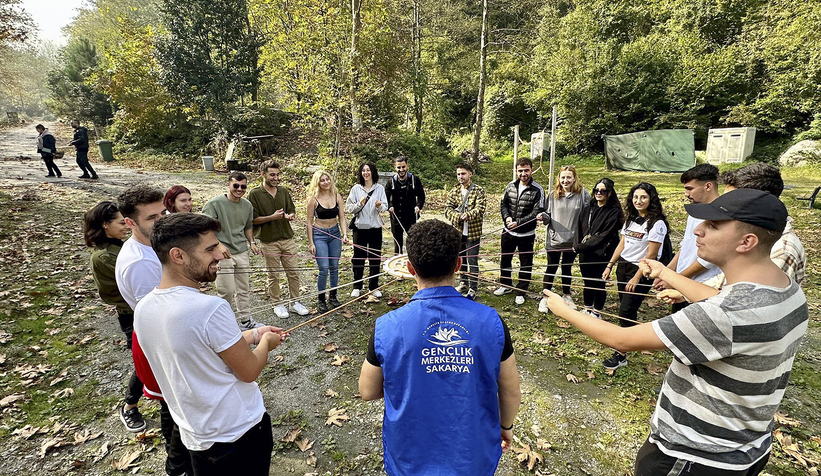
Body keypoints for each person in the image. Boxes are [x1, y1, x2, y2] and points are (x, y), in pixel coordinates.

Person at [545, 188, 808, 476]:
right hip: (747, 448)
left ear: (747, 241)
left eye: (713, 226)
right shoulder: (787, 290)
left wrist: (565, 309)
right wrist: (666, 272)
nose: (699, 232)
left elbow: (621, 339)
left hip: (693, 457)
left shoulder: (723, 315)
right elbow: (717, 298)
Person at [358, 219, 522, 476]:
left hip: (410, 459)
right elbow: (510, 391)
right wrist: (506, 426)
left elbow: (367, 390)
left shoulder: (386, 327)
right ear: (458, 265)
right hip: (473, 456)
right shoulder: (491, 321)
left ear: (410, 268)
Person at [134, 213, 287, 475]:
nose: (219, 255)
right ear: (178, 255)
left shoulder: (144, 307)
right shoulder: (211, 308)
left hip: (195, 434)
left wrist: (251, 336)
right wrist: (266, 344)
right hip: (238, 432)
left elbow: (196, 348)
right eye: (210, 249)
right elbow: (249, 371)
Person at [83, 201, 145, 432]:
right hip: (132, 315)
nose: (126, 227)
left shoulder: (119, 246)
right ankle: (129, 406)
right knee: (144, 360)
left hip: (142, 309)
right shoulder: (104, 256)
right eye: (121, 223)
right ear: (105, 225)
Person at [601, 182, 668, 371]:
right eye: (636, 197)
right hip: (623, 266)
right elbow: (622, 245)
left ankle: (622, 352)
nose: (638, 201)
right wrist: (610, 265)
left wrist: (637, 277)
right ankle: (629, 340)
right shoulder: (631, 219)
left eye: (643, 197)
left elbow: (652, 255)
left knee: (626, 311)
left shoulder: (656, 223)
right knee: (626, 308)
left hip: (641, 270)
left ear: (651, 199)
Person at [653, 164, 721, 311]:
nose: (686, 194)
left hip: (703, 287)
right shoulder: (694, 210)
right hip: (681, 285)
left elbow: (707, 260)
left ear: (708, 186)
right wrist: (667, 273)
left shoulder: (721, 215)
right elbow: (686, 247)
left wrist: (676, 279)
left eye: (690, 188)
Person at [247, 161, 310, 318]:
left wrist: (291, 216)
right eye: (272, 175)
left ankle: (294, 302)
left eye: (277, 174)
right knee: (273, 275)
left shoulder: (283, 191)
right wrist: (272, 217)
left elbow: (291, 209)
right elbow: (252, 219)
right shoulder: (255, 194)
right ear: (263, 175)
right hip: (269, 241)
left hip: (287, 239)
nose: (276, 178)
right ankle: (277, 303)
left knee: (294, 272)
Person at [202, 172, 263, 329]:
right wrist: (217, 245)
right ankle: (225, 323)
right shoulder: (214, 204)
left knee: (244, 289)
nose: (239, 189)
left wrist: (252, 242)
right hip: (222, 255)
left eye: (243, 186)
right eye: (236, 185)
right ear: (229, 185)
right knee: (226, 291)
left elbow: (248, 226)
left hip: (241, 251)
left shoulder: (247, 205)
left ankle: (246, 321)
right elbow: (205, 229)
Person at [568, 178, 623, 319]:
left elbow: (604, 235)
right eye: (596, 190)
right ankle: (587, 308)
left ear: (609, 193)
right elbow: (578, 228)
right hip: (585, 251)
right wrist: (577, 245)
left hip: (602, 252)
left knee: (598, 281)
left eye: (602, 191)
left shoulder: (614, 212)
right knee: (587, 280)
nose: (599, 193)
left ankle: (597, 312)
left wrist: (583, 245)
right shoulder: (588, 209)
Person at [538, 165, 589, 312]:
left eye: (568, 177)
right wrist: (543, 217)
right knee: (551, 267)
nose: (565, 180)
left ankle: (566, 295)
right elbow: (547, 215)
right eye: (563, 177)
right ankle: (545, 296)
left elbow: (587, 216)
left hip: (572, 240)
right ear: (559, 179)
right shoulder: (553, 195)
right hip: (554, 239)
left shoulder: (583, 194)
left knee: (567, 268)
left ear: (574, 178)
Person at [495, 157, 545, 305]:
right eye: (520, 171)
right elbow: (503, 204)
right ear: (516, 171)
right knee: (505, 259)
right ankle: (505, 285)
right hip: (508, 232)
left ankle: (521, 291)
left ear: (531, 170)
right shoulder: (510, 186)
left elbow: (538, 211)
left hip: (526, 234)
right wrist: (507, 219)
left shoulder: (538, 189)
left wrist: (519, 223)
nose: (523, 173)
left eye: (526, 170)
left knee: (526, 263)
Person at [306, 170, 348, 312]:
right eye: (322, 180)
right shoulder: (313, 199)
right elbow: (309, 221)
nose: (325, 182)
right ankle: (321, 299)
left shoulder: (337, 196)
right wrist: (311, 242)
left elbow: (342, 217)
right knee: (324, 268)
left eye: (327, 179)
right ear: (317, 183)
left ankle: (333, 296)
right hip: (319, 234)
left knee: (334, 267)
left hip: (335, 234)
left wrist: (345, 234)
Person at [443, 162, 486, 301]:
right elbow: (447, 209)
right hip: (458, 232)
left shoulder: (478, 191)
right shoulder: (454, 191)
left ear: (470, 174)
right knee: (460, 259)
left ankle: (473, 287)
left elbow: (480, 208)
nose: (460, 177)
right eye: (458, 174)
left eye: (463, 173)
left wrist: (469, 215)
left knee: (472, 260)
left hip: (473, 233)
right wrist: (458, 216)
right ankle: (463, 282)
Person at [345, 162, 388, 298]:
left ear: (373, 172)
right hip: (360, 228)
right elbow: (349, 207)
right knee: (358, 258)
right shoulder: (356, 189)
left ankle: (374, 286)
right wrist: (360, 204)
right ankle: (357, 285)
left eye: (368, 170)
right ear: (361, 173)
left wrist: (379, 206)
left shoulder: (380, 188)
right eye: (363, 170)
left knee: (375, 258)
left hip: (375, 228)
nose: (366, 173)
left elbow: (385, 207)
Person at [385, 155, 425, 253]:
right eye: (399, 167)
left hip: (411, 217)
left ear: (407, 166)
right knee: (397, 244)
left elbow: (421, 196)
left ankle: (413, 265)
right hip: (396, 217)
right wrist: (389, 207)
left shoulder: (415, 180)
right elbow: (385, 198)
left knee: (412, 243)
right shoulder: (391, 182)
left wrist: (418, 206)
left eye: (403, 167)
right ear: (395, 167)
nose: (401, 170)